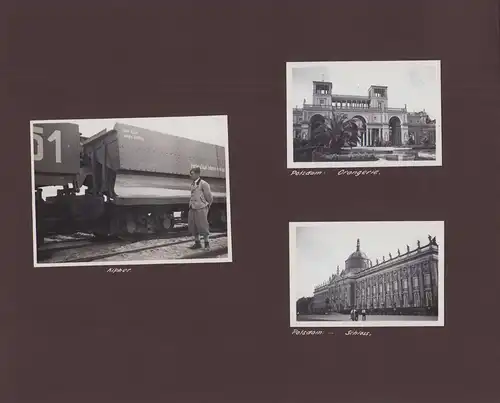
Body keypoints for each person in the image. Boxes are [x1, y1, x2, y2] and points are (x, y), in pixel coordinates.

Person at [188, 167, 213, 250]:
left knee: (203, 226)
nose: (190, 175)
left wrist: (206, 205)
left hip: (201, 207)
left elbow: (209, 197)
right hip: (193, 207)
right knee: (193, 226)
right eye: (190, 174)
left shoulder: (204, 183)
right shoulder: (192, 184)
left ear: (197, 174)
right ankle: (197, 243)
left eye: (192, 174)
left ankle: (207, 244)